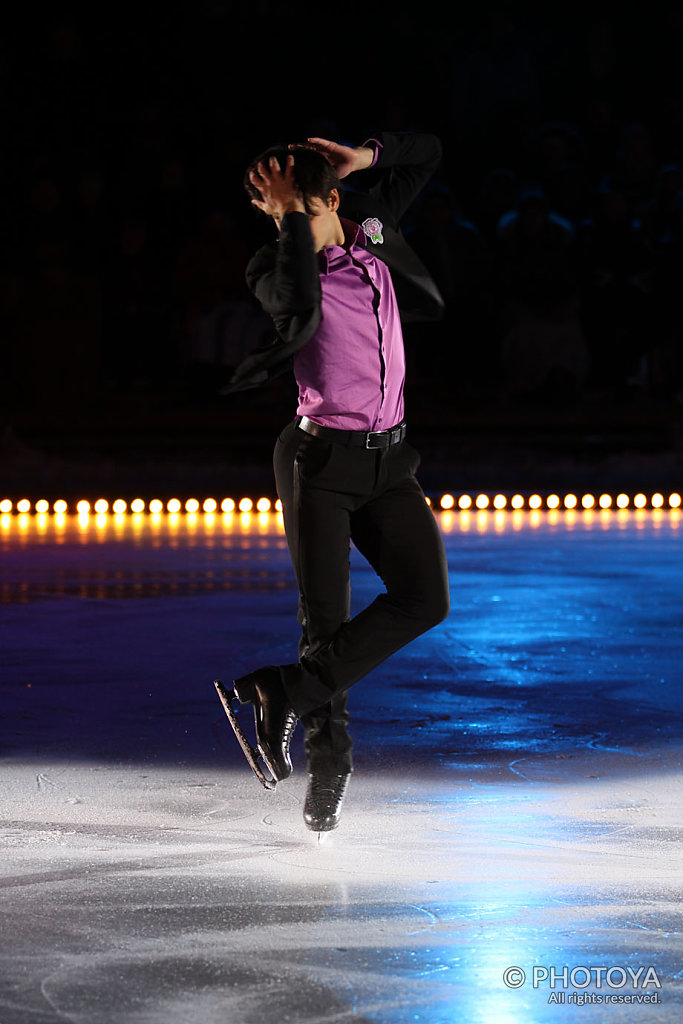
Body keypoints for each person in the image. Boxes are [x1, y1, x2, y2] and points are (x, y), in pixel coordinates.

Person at [224, 131, 450, 832]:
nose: (279, 218)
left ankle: (279, 691)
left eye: (292, 203)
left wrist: (364, 157)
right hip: (317, 461)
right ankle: (330, 764)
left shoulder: (373, 234)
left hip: (390, 461)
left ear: (330, 196)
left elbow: (431, 151)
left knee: (424, 599)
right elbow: (294, 303)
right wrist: (293, 218)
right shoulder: (276, 264)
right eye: (270, 209)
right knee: (323, 624)